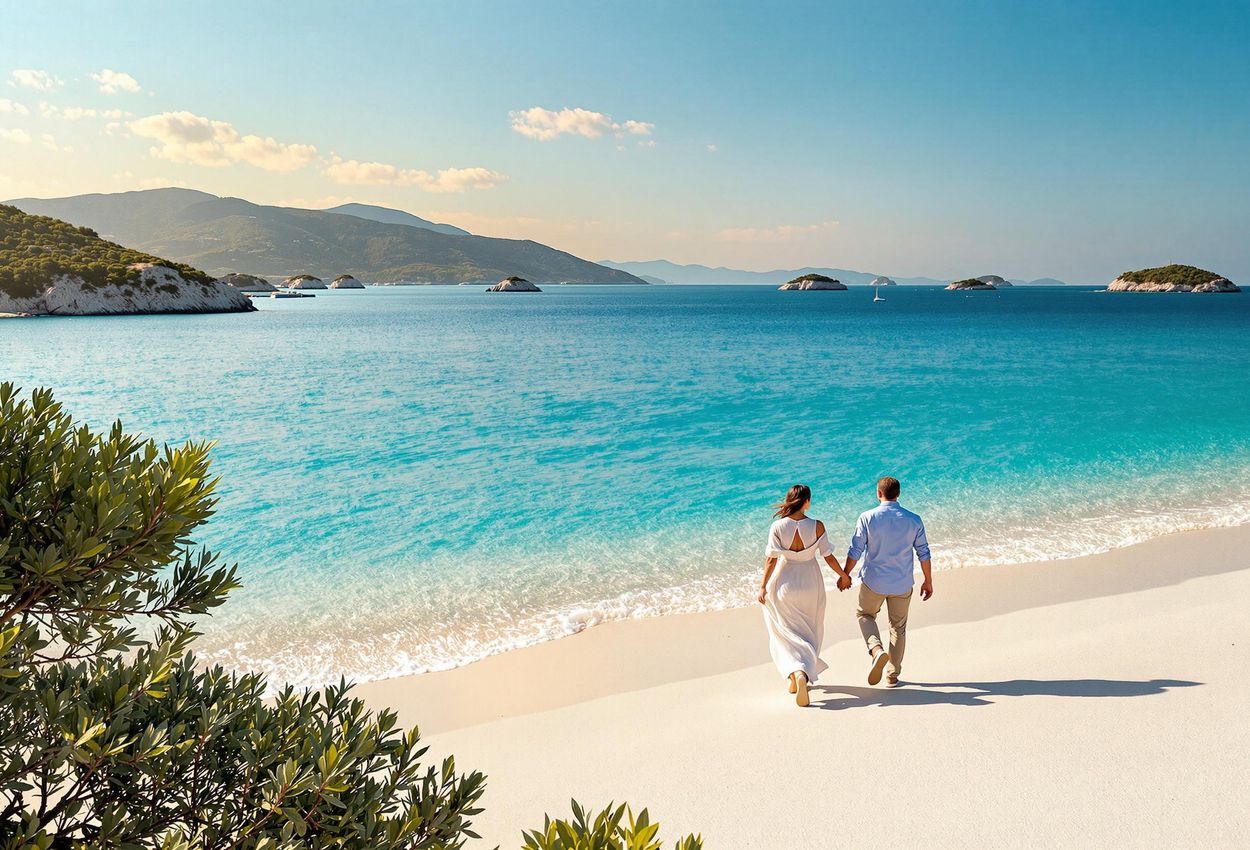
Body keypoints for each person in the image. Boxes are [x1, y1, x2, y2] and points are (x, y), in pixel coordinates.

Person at [758, 484, 853, 707]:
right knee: (810, 630)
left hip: (785, 583)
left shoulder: (777, 526)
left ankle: (796, 673)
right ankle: (801, 673)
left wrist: (762, 587)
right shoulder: (817, 526)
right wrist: (843, 576)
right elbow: (828, 556)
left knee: (784, 631)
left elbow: (771, 559)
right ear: (807, 502)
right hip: (811, 583)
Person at [842, 476, 932, 688]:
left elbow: (855, 549)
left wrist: (845, 574)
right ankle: (892, 675)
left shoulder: (867, 517)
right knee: (898, 628)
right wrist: (928, 581)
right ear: (898, 494)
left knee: (865, 615)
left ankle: (876, 650)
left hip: (874, 582)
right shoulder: (914, 519)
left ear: (878, 493)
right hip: (902, 583)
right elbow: (924, 552)